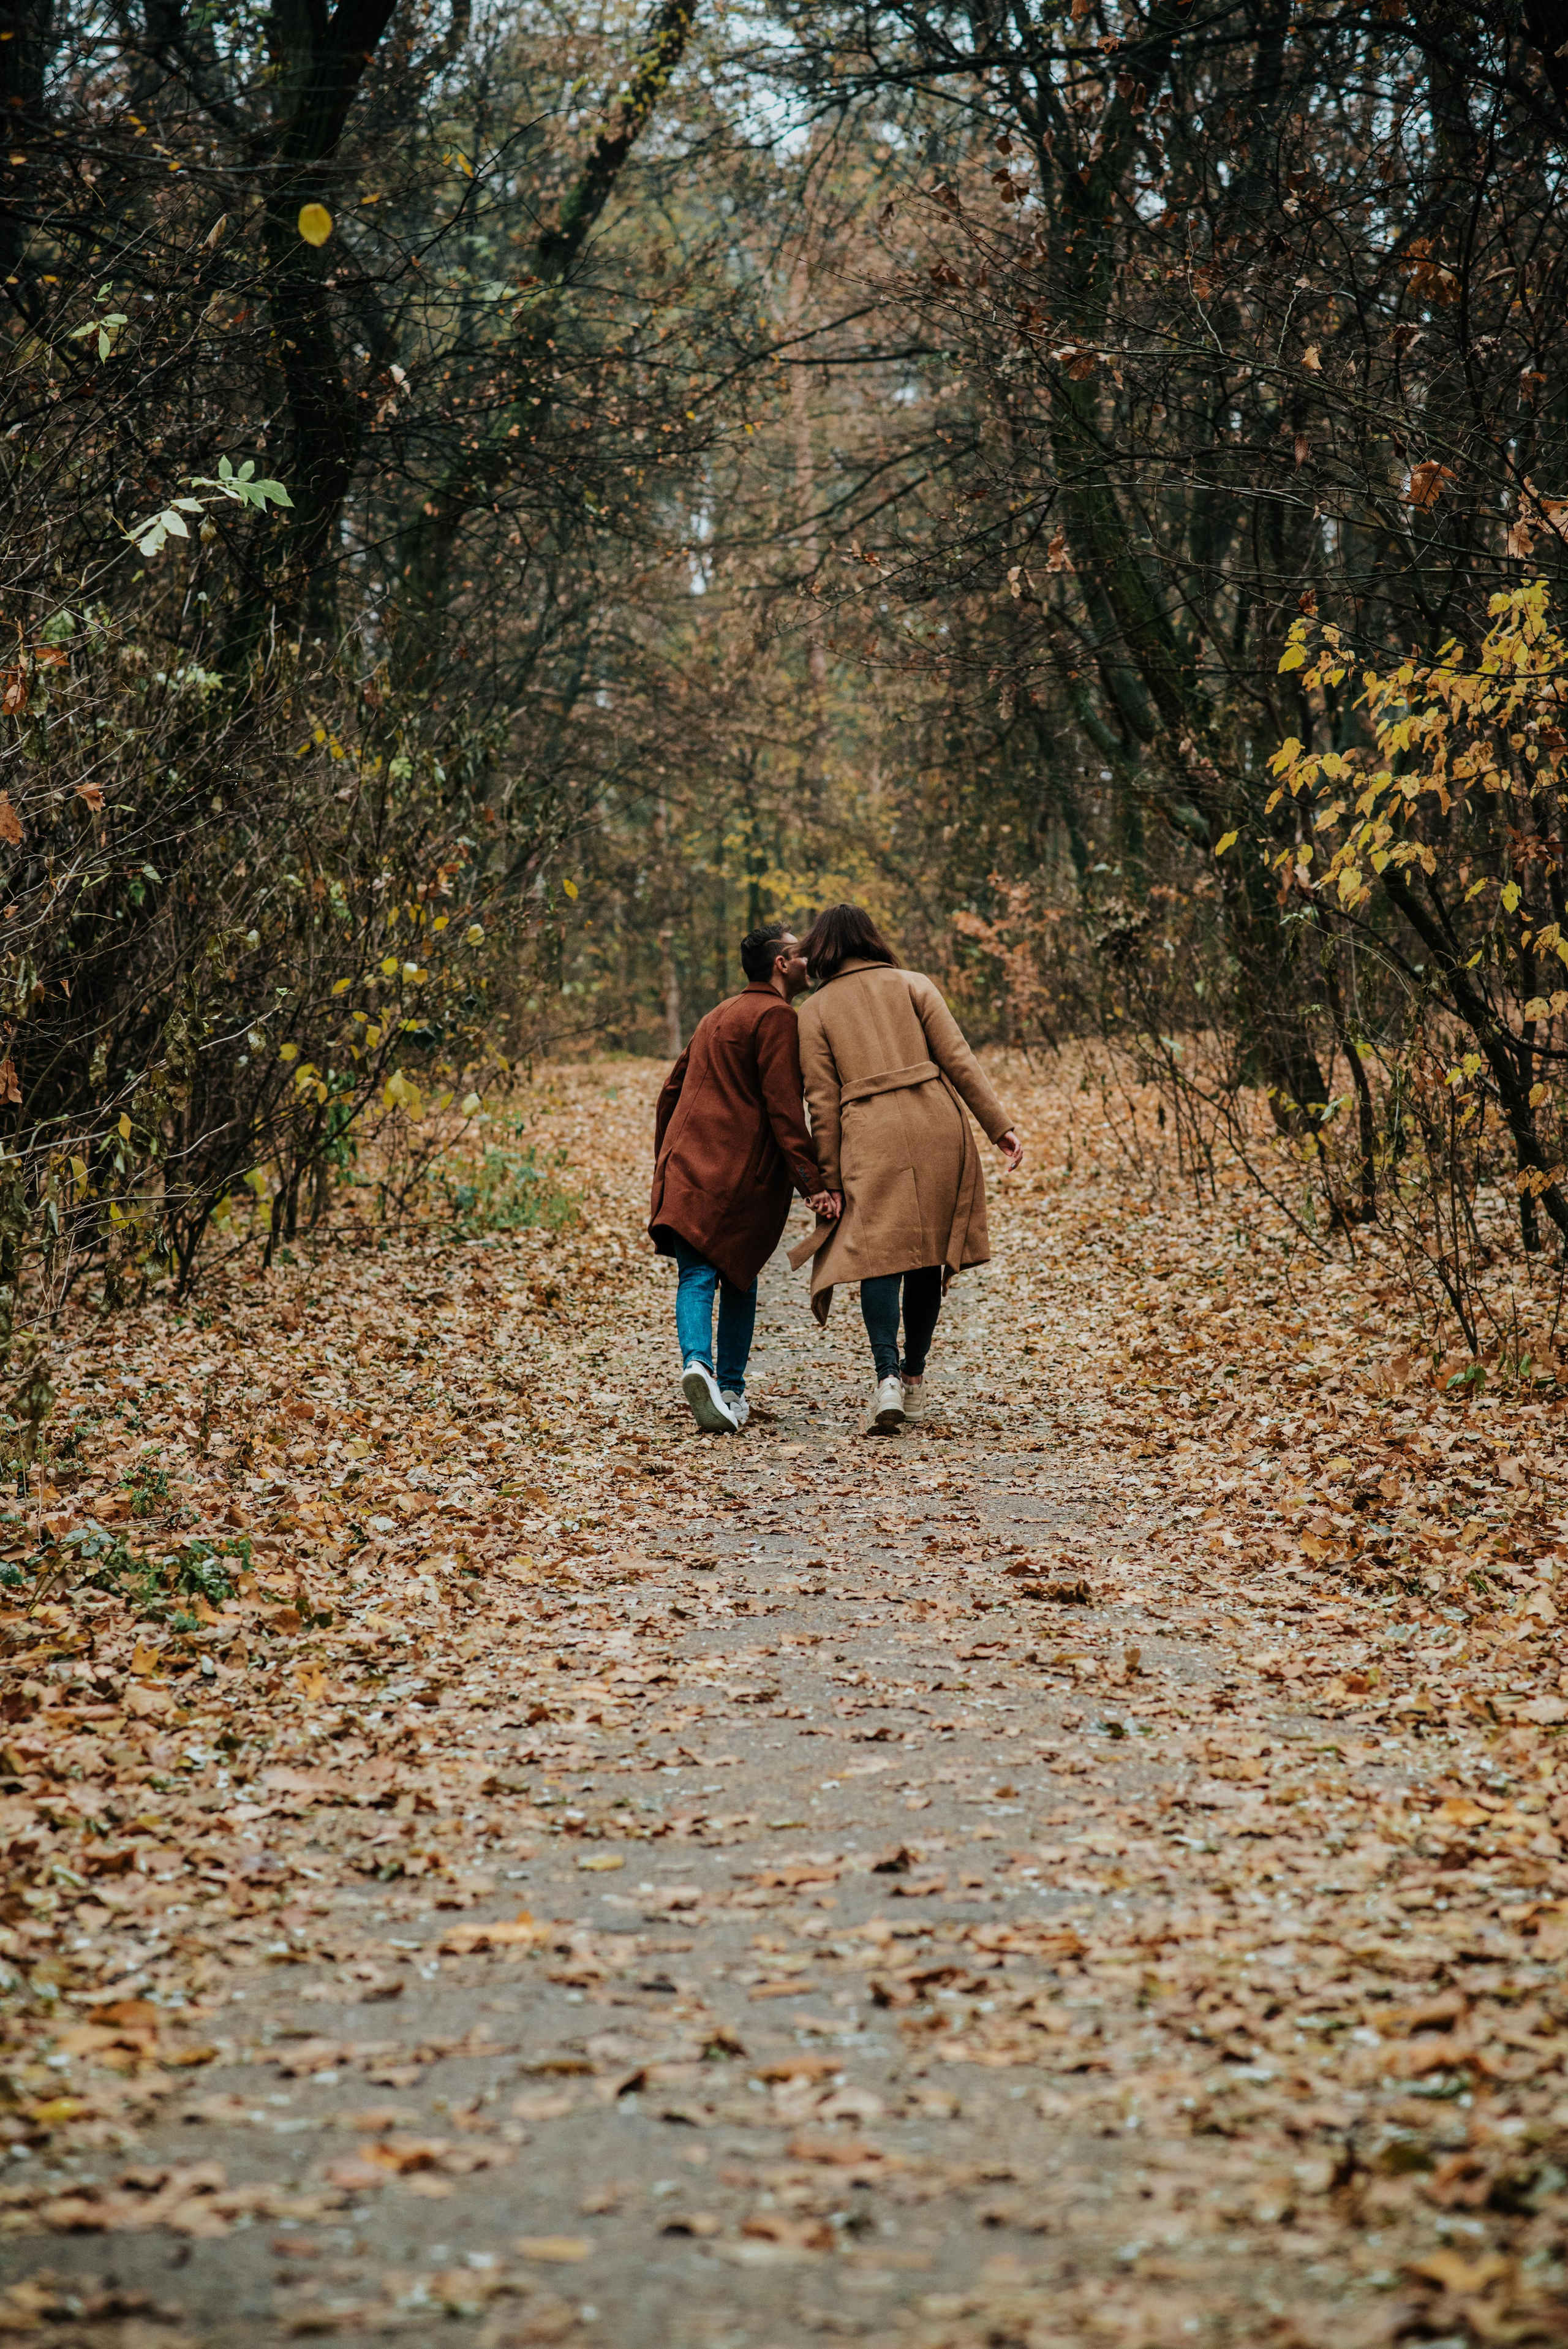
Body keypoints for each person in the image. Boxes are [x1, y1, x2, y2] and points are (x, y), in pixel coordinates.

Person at [789, 902, 1023, 1431]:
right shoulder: (915, 984)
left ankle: (887, 1378)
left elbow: (821, 1104)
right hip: (936, 1123)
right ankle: (915, 1379)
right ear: (870, 938)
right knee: (925, 1258)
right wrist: (999, 1127)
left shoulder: (815, 1011)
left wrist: (828, 1179)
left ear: (822, 947)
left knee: (880, 1256)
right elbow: (959, 1060)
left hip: (871, 1137)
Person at [650, 923, 840, 1433]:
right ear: (781, 963)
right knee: (740, 1276)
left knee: (696, 1275)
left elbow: (670, 1091)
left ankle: (698, 1366)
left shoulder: (716, 1013)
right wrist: (813, 1183)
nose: (810, 959)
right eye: (801, 952)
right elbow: (785, 1111)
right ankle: (731, 1389)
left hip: (685, 1165)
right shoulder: (777, 1017)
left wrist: (666, 1160)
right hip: (735, 1175)